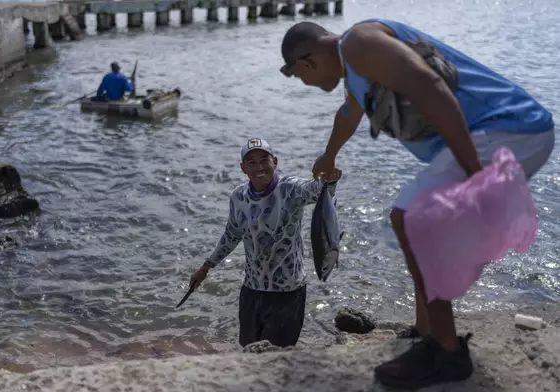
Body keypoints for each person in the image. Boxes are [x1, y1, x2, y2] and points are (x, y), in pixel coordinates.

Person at [279, 19, 554, 389]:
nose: (302, 83)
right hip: (511, 129)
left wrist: (475, 172)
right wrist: (328, 157)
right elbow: (348, 114)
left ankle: (445, 352)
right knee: (409, 220)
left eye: (294, 75)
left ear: (304, 62)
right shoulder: (356, 68)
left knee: (409, 218)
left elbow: (430, 85)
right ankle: (427, 333)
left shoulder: (360, 43)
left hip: (507, 127)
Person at [189, 138, 342, 348]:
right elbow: (231, 235)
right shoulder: (238, 196)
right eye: (251, 162)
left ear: (275, 162)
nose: (259, 167)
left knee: (275, 356)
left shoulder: (291, 188)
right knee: (248, 351)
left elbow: (316, 190)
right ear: (243, 168)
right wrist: (206, 266)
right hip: (252, 289)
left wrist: (329, 180)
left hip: (288, 292)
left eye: (264, 160)